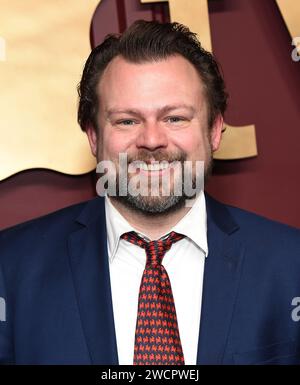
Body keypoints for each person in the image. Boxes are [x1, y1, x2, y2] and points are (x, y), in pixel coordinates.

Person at [0, 20, 300, 365]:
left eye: (175, 118)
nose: (152, 140)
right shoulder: (11, 270)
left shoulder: (291, 266)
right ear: (94, 137)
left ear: (215, 130)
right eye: (127, 121)